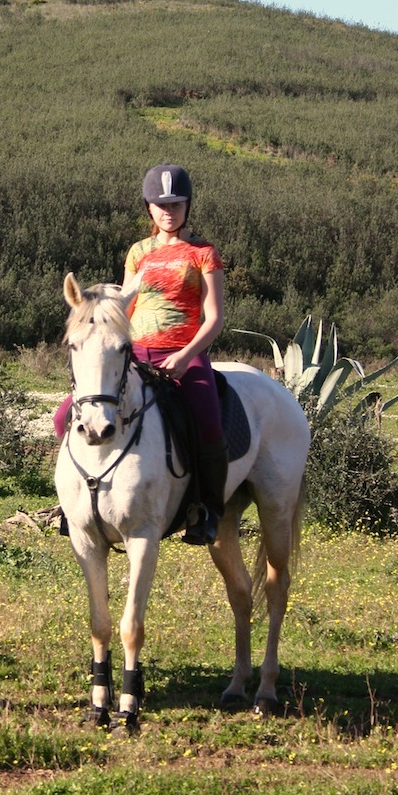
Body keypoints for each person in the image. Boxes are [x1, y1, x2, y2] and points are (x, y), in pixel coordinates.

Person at [123, 164, 228, 545]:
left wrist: (185, 356)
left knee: (208, 422)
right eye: (160, 204)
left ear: (188, 205)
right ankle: (77, 503)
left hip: (184, 352)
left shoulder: (204, 253)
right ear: (148, 207)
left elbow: (214, 319)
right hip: (136, 352)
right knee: (68, 413)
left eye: (176, 203)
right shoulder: (138, 252)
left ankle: (208, 509)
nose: (169, 211)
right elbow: (127, 307)